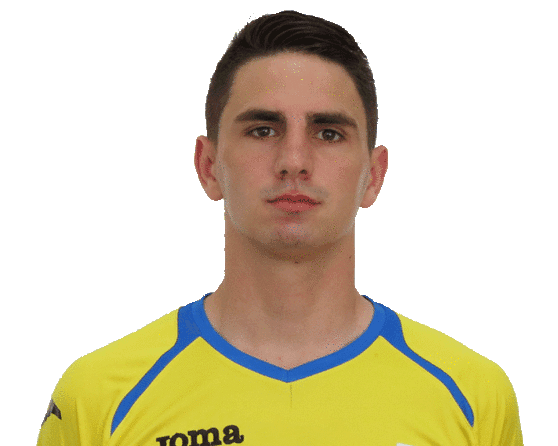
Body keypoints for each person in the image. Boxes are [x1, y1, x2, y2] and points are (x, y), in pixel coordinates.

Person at [37, 10, 523, 446]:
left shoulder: (472, 396)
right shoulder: (100, 396)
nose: (294, 160)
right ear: (208, 167)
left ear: (374, 176)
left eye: (328, 133)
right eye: (263, 130)